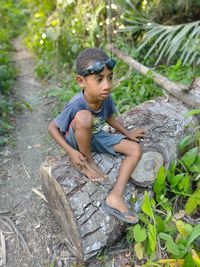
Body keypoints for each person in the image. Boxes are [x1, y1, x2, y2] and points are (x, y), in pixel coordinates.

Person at [48, 48, 145, 224]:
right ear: (81, 81)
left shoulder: (105, 97)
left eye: (110, 77)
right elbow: (52, 128)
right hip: (76, 139)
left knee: (135, 149)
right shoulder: (76, 104)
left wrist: (127, 133)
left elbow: (108, 117)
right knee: (85, 117)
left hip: (96, 136)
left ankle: (115, 196)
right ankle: (87, 161)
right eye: (99, 79)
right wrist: (71, 152)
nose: (107, 85)